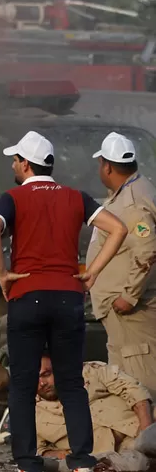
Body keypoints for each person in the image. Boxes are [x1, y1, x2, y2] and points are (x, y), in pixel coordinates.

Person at [0, 130, 129, 472]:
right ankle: (81, 460)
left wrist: (2, 273)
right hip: (68, 298)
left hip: (27, 295)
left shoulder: (13, 197)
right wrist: (91, 272)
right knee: (70, 383)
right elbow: (118, 228)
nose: (13, 165)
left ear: (25, 164)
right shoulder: (76, 197)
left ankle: (27, 462)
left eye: (15, 160)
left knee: (22, 382)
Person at [88, 132, 156, 394]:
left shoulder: (132, 203)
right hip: (123, 313)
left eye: (100, 164)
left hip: (132, 312)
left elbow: (147, 249)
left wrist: (128, 295)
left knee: (139, 385)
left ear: (108, 166)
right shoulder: (134, 190)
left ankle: (146, 434)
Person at [36, 354, 154, 458]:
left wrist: (145, 433)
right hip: (105, 457)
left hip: (142, 426)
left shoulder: (90, 371)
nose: (42, 383)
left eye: (46, 374)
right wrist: (57, 454)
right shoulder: (30, 412)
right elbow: (36, 450)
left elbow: (135, 391)